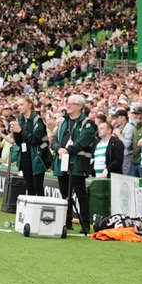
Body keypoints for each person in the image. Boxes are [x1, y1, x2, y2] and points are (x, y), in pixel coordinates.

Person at [52, 93, 98, 235]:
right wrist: (58, 148)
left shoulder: (88, 123)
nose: (67, 105)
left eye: (70, 103)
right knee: (64, 194)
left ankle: (85, 224)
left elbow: (84, 140)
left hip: (77, 164)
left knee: (81, 195)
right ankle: (66, 222)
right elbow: (54, 140)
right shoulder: (63, 122)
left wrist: (68, 150)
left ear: (79, 106)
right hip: (62, 162)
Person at [10, 95, 50, 197]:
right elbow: (19, 142)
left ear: (29, 105)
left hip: (37, 157)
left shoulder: (37, 120)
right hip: (24, 157)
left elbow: (35, 140)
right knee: (29, 186)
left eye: (21, 104)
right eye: (18, 105)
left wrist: (20, 131)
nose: (19, 107)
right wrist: (15, 132)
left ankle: (40, 210)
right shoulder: (20, 120)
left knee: (38, 187)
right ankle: (31, 212)